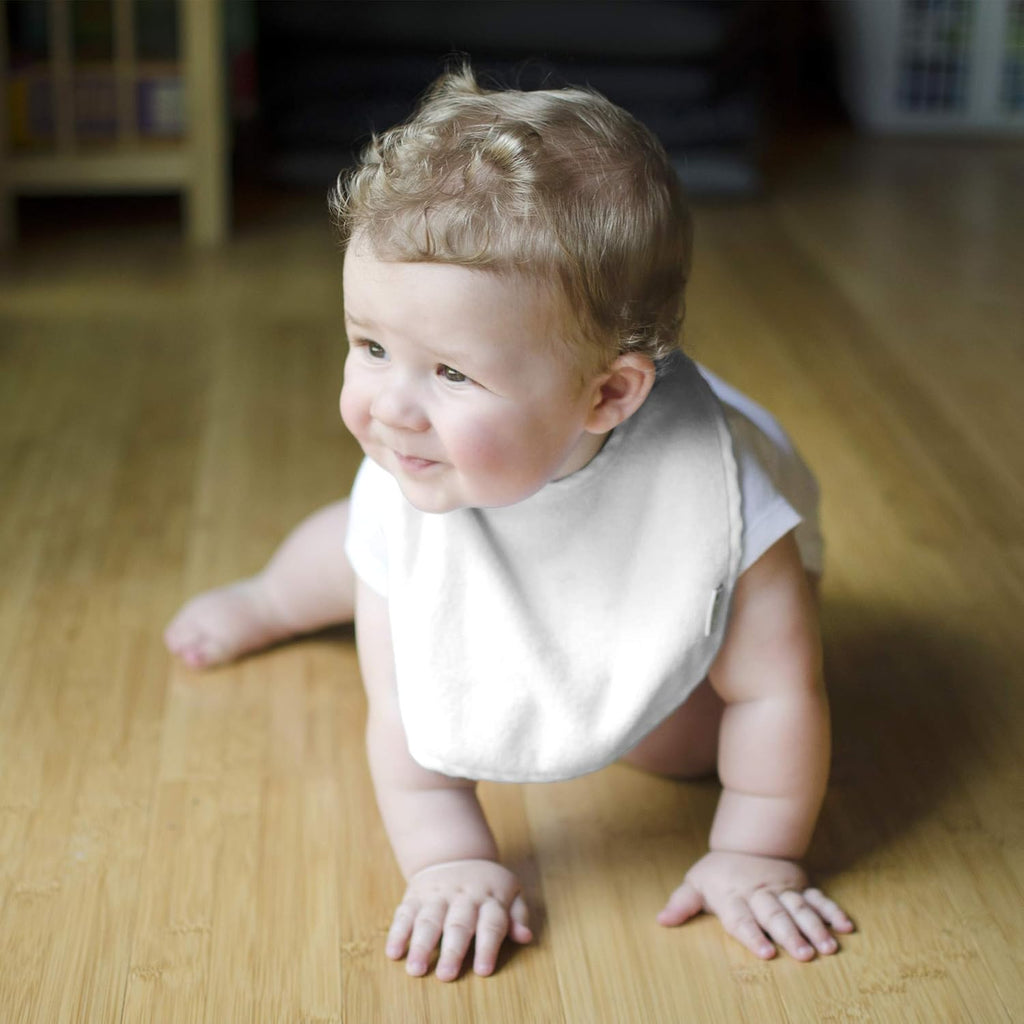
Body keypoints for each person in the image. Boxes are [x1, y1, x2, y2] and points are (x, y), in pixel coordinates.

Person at [165, 65, 854, 982]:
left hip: (623, 566)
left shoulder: (718, 498)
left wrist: (757, 850)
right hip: (468, 519)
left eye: (451, 373)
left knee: (688, 749)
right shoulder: (422, 471)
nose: (393, 407)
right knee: (345, 550)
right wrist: (451, 862)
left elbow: (777, 694)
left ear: (609, 392)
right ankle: (270, 597)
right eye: (370, 347)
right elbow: (405, 721)